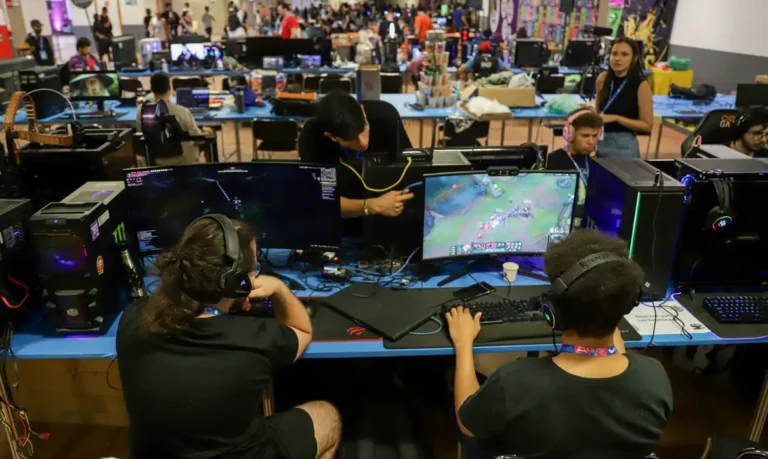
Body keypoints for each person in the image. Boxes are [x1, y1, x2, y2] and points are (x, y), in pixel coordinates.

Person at [117, 216, 342, 459]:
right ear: (236, 283)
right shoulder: (254, 339)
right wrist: (278, 287)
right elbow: (303, 330)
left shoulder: (132, 318)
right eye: (251, 270)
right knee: (328, 416)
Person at [446, 229, 673, 459]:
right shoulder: (653, 376)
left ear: (552, 311)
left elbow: (468, 425)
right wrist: (608, 305)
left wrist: (463, 344)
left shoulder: (514, 381)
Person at [299, 90, 414, 223]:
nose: (363, 142)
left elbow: (409, 170)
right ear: (331, 137)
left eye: (363, 129)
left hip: (391, 212)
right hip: (345, 219)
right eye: (351, 139)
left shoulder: (385, 117)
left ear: (363, 111)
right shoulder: (312, 138)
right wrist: (371, 205)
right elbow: (320, 200)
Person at [596, 37, 653, 158]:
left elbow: (647, 125)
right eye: (614, 54)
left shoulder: (641, 85)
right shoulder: (602, 79)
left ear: (634, 58)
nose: (617, 58)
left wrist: (616, 118)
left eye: (624, 54)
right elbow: (598, 114)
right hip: (598, 140)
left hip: (623, 144)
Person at [546, 108, 603, 224]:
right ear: (569, 134)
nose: (591, 141)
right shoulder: (552, 161)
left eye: (595, 135)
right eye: (585, 136)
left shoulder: (599, 162)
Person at [137, 72, 203, 165]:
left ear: (152, 89)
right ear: (169, 89)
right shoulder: (183, 112)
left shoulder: (141, 111)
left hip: (152, 160)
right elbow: (198, 140)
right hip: (181, 161)